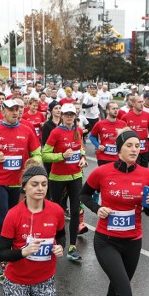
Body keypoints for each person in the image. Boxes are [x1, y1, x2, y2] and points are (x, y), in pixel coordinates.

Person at [80, 127, 149, 296]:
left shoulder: (146, 175)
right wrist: (97, 208)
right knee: (125, 294)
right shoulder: (102, 172)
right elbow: (84, 195)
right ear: (119, 149)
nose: (135, 149)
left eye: (138, 145)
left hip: (133, 242)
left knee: (115, 290)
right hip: (107, 241)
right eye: (130, 146)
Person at [0, 163, 65, 296]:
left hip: (44, 280)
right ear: (24, 187)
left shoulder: (56, 211)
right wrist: (22, 252)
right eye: (34, 184)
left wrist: (60, 246)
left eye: (44, 184)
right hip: (16, 282)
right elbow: (1, 252)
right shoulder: (14, 215)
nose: (40, 189)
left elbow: (61, 234)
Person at [0, 99, 42, 277]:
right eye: (12, 110)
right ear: (3, 111)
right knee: (5, 218)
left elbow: (37, 151)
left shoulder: (27, 130)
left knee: (16, 220)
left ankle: (7, 248)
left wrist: (35, 163)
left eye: (18, 109)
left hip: (19, 183)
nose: (16, 113)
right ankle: (2, 257)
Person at [42, 103, 88, 261]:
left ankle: (72, 247)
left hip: (75, 176)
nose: (69, 117)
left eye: (72, 114)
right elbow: (45, 155)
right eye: (67, 114)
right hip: (57, 178)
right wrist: (61, 156)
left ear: (75, 116)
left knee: (75, 211)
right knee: (57, 212)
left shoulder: (78, 130)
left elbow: (80, 148)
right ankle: (53, 241)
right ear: (61, 116)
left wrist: (83, 158)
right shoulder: (56, 132)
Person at [120, 96, 149, 167]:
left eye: (142, 102)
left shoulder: (147, 115)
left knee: (144, 168)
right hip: (132, 148)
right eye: (139, 102)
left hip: (144, 147)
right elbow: (121, 132)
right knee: (134, 168)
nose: (142, 104)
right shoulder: (126, 117)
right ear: (133, 104)